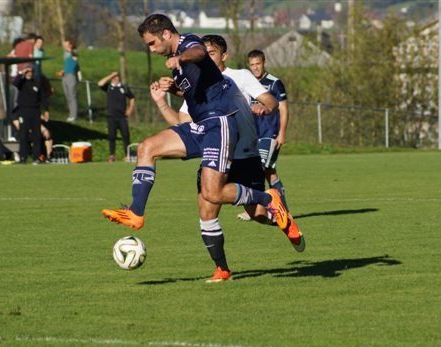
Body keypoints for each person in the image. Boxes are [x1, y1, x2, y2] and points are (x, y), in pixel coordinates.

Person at [101, 14, 301, 282]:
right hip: (202, 127)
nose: (151, 49)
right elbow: (195, 96)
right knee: (147, 147)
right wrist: (171, 90)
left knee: (215, 195)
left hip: (220, 124)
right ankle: (136, 212)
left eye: (151, 43)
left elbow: (197, 52)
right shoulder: (181, 66)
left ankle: (269, 199)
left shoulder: (189, 45)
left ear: (166, 34)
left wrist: (180, 59)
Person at [150, 34, 304, 272]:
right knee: (206, 210)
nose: (204, 57)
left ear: (224, 56)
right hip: (215, 154)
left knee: (257, 214)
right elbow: (183, 123)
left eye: (210, 53)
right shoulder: (196, 84)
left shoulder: (240, 76)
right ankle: (222, 269)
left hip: (245, 155)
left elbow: (272, 101)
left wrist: (264, 107)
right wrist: (163, 101)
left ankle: (282, 219)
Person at [247, 49, 292, 212]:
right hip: (252, 135)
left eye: (258, 64)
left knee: (257, 169)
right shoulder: (248, 82)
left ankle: (257, 209)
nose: (255, 68)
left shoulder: (275, 83)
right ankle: (283, 211)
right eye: (252, 65)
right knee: (269, 172)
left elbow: (284, 110)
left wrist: (282, 133)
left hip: (270, 133)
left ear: (264, 62)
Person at [98, 71, 135, 163]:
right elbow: (100, 83)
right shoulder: (108, 87)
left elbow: (132, 98)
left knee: (126, 135)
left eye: (117, 76)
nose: (115, 78)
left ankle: (127, 155)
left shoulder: (124, 87)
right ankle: (112, 155)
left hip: (122, 116)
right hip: (111, 116)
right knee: (112, 136)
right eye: (113, 77)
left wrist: (130, 109)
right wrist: (111, 75)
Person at [13, 66, 47, 164]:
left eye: (30, 71)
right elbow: (15, 83)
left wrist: (46, 110)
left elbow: (43, 97)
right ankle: (23, 157)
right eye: (27, 71)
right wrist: (21, 73)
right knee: (23, 135)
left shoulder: (37, 83)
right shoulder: (21, 82)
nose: (29, 73)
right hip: (24, 111)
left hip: (35, 111)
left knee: (36, 135)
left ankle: (36, 157)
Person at [59, 39, 80, 122]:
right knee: (67, 96)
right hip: (65, 76)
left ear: (70, 45)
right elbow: (67, 65)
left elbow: (75, 60)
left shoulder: (74, 52)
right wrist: (62, 71)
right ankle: (70, 114)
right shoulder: (65, 53)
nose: (64, 46)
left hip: (71, 76)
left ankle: (74, 115)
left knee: (72, 96)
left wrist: (70, 50)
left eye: (66, 44)